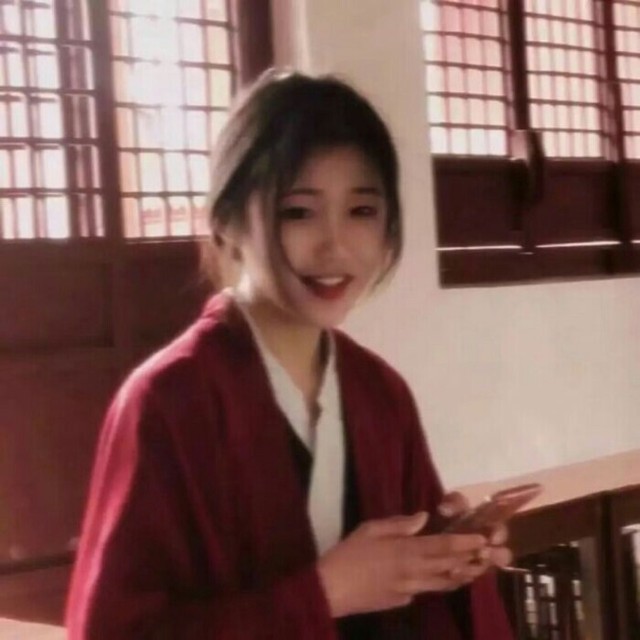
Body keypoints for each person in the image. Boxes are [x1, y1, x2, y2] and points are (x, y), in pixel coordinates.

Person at [66, 70, 515, 639]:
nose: (335, 246)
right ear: (227, 222)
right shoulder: (169, 400)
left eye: (362, 211)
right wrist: (325, 593)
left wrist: (449, 559)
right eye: (298, 213)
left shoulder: (380, 393)